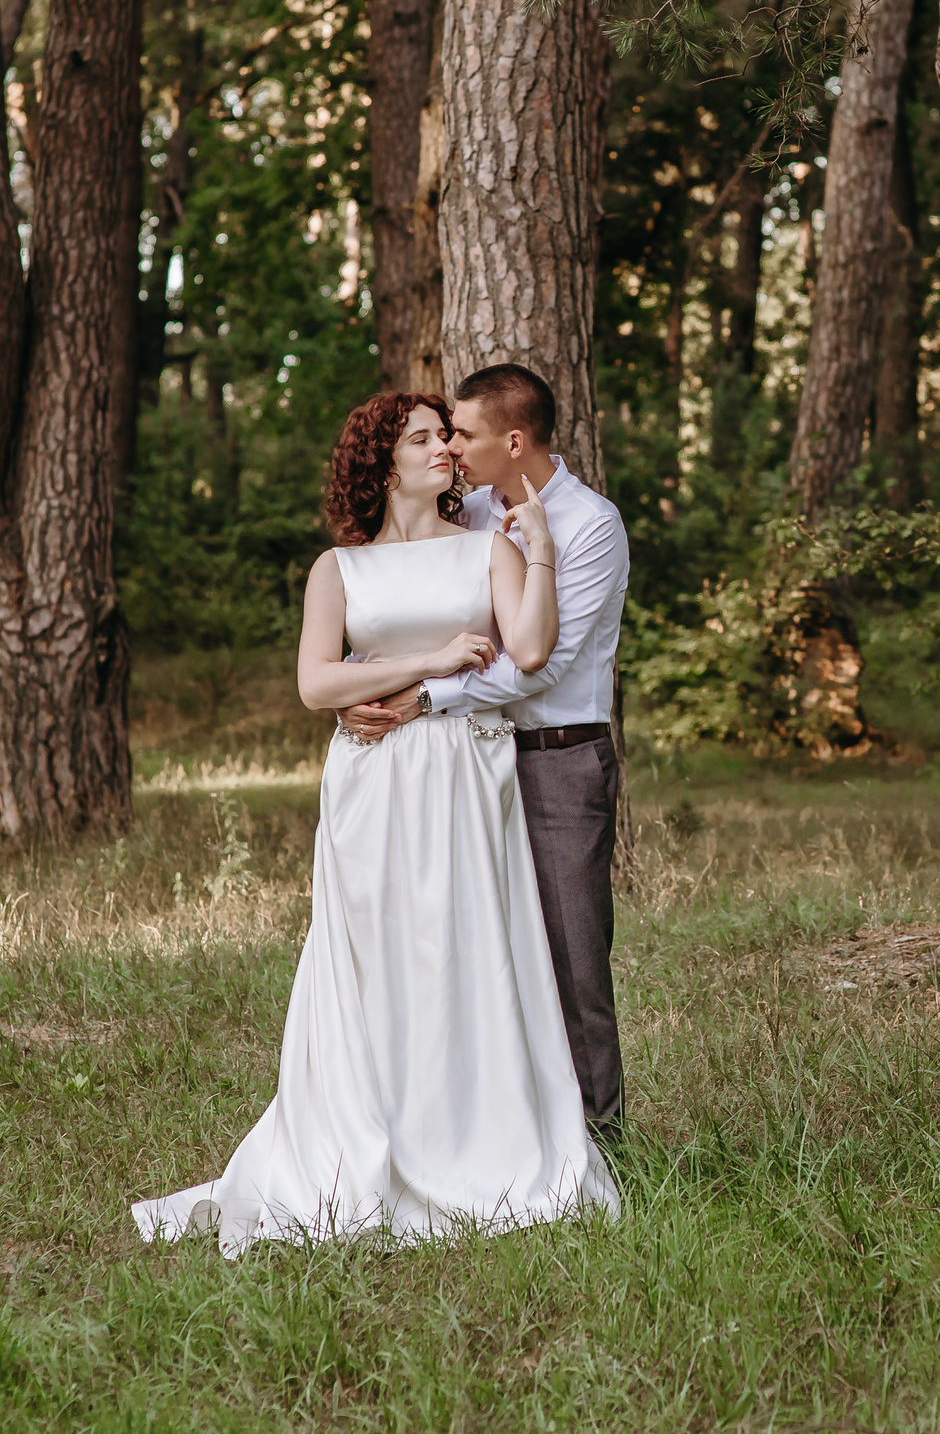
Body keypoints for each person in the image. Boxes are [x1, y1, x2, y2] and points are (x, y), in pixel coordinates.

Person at [131, 391, 619, 1252]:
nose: (444, 450)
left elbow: (533, 650)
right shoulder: (338, 569)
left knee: (470, 950)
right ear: (381, 460)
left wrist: (540, 552)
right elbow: (318, 685)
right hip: (373, 779)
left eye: (446, 435)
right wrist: (426, 662)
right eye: (423, 438)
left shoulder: (490, 547)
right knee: (378, 953)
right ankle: (370, 1135)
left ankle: (478, 1135)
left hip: (466, 773)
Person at [340, 364, 631, 1140]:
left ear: (511, 440)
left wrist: (423, 697)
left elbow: (549, 662)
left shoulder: (591, 524)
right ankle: (501, 1131)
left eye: (462, 433)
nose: (452, 448)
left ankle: (601, 1144)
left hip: (560, 757)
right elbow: (407, 595)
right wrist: (375, 680)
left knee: (572, 961)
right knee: (486, 953)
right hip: (467, 764)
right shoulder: (462, 512)